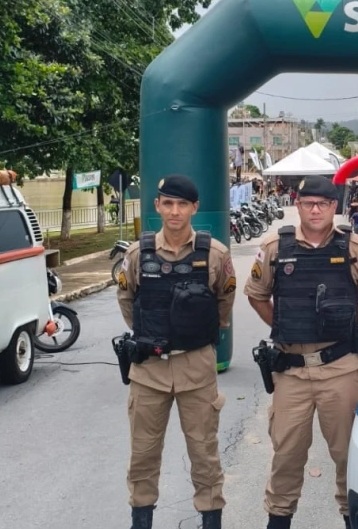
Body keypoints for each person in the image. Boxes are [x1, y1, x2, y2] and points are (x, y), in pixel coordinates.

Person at [244, 175, 358, 529]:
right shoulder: (274, 248)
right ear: (298, 205)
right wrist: (282, 326)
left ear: (334, 208)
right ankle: (278, 520)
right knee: (286, 456)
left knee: (347, 455)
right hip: (291, 372)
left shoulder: (356, 249)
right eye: (308, 203)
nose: (315, 209)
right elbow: (256, 294)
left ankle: (351, 518)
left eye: (322, 204)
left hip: (339, 371)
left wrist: (346, 327)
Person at [116, 174, 238, 529]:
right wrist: (153, 333)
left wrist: (193, 333)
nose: (174, 211)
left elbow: (224, 300)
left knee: (204, 455)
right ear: (156, 205)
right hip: (148, 372)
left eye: (182, 204)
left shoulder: (215, 254)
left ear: (194, 208)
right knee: (143, 456)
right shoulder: (138, 254)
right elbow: (127, 301)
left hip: (196, 370)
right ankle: (141, 521)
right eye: (167, 203)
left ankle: (211, 520)